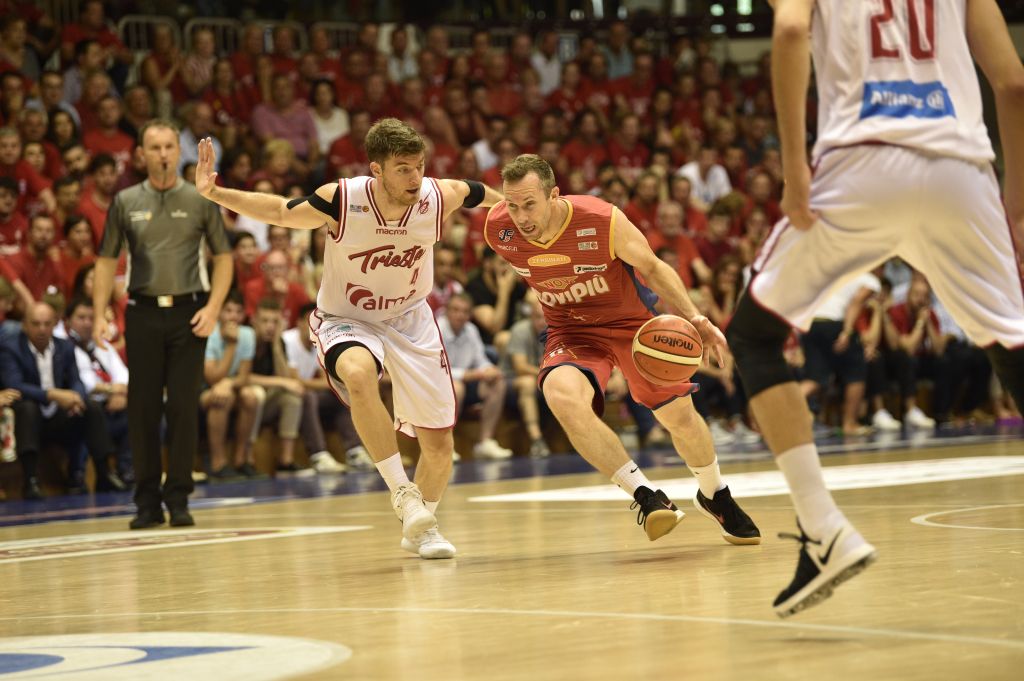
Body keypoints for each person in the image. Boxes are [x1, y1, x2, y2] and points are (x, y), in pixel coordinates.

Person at [726, 0, 1024, 617]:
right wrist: (1015, 196)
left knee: (754, 336)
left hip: (862, 161)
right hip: (962, 170)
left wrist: (792, 168)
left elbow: (786, 30)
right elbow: (1014, 84)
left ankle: (824, 527)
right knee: (1010, 345)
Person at [194, 117, 504, 559]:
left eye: (418, 166)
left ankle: (422, 527)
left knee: (439, 449)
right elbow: (281, 211)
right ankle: (402, 492)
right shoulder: (343, 199)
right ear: (376, 169)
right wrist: (216, 193)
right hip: (347, 318)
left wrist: (516, 209)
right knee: (359, 374)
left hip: (411, 320)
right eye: (402, 168)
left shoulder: (438, 195)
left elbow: (482, 194)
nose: (414, 177)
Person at [485, 154, 760, 545]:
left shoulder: (602, 219)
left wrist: (696, 318)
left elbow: (653, 267)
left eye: (530, 204)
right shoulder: (499, 230)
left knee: (680, 418)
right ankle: (646, 496)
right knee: (560, 395)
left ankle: (715, 494)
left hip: (632, 326)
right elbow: (472, 197)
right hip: (570, 330)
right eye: (512, 205)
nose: (521, 216)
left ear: (554, 196)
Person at [93, 119, 233, 530]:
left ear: (178, 150)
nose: (163, 154)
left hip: (190, 314)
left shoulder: (200, 199)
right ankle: (147, 502)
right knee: (143, 409)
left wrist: (213, 308)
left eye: (169, 146)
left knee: (184, 408)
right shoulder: (124, 201)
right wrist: (103, 309)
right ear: (141, 154)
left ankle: (180, 498)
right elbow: (105, 259)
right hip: (143, 313)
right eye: (154, 147)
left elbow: (223, 257)